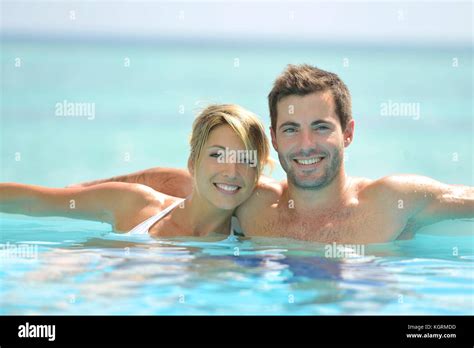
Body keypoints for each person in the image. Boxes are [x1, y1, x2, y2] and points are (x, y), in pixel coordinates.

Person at [73, 64, 474, 244]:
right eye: (290, 130)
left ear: (348, 132)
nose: (305, 146)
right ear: (275, 139)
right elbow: (163, 179)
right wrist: (80, 189)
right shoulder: (253, 200)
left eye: (321, 127)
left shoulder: (392, 199)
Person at [0, 104, 271, 237]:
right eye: (217, 155)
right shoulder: (136, 205)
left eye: (245, 159)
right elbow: (34, 202)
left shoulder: (249, 246)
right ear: (192, 162)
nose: (231, 170)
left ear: (257, 172)